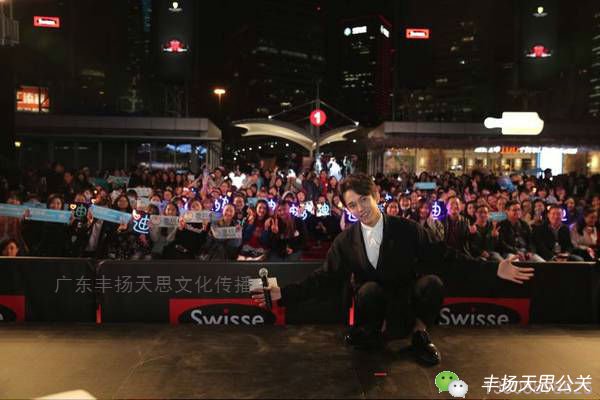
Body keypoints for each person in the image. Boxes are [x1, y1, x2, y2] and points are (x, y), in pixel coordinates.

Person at [252, 173, 533, 366]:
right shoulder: (345, 241)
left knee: (433, 283)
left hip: (406, 298)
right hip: (372, 302)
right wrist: (282, 294)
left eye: (364, 199)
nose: (360, 208)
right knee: (368, 290)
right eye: (352, 205)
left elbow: (446, 258)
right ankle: (371, 333)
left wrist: (493, 269)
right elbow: (324, 278)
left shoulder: (408, 229)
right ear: (347, 208)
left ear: (375, 195)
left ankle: (420, 334)